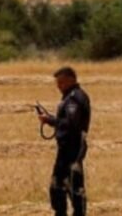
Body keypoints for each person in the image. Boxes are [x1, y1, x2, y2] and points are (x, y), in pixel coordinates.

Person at [38, 66, 91, 216]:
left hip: (72, 148)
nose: (58, 86)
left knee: (72, 186)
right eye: (57, 83)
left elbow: (71, 123)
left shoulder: (74, 98)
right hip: (67, 147)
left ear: (71, 80)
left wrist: (50, 120)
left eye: (61, 82)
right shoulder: (71, 96)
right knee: (60, 186)